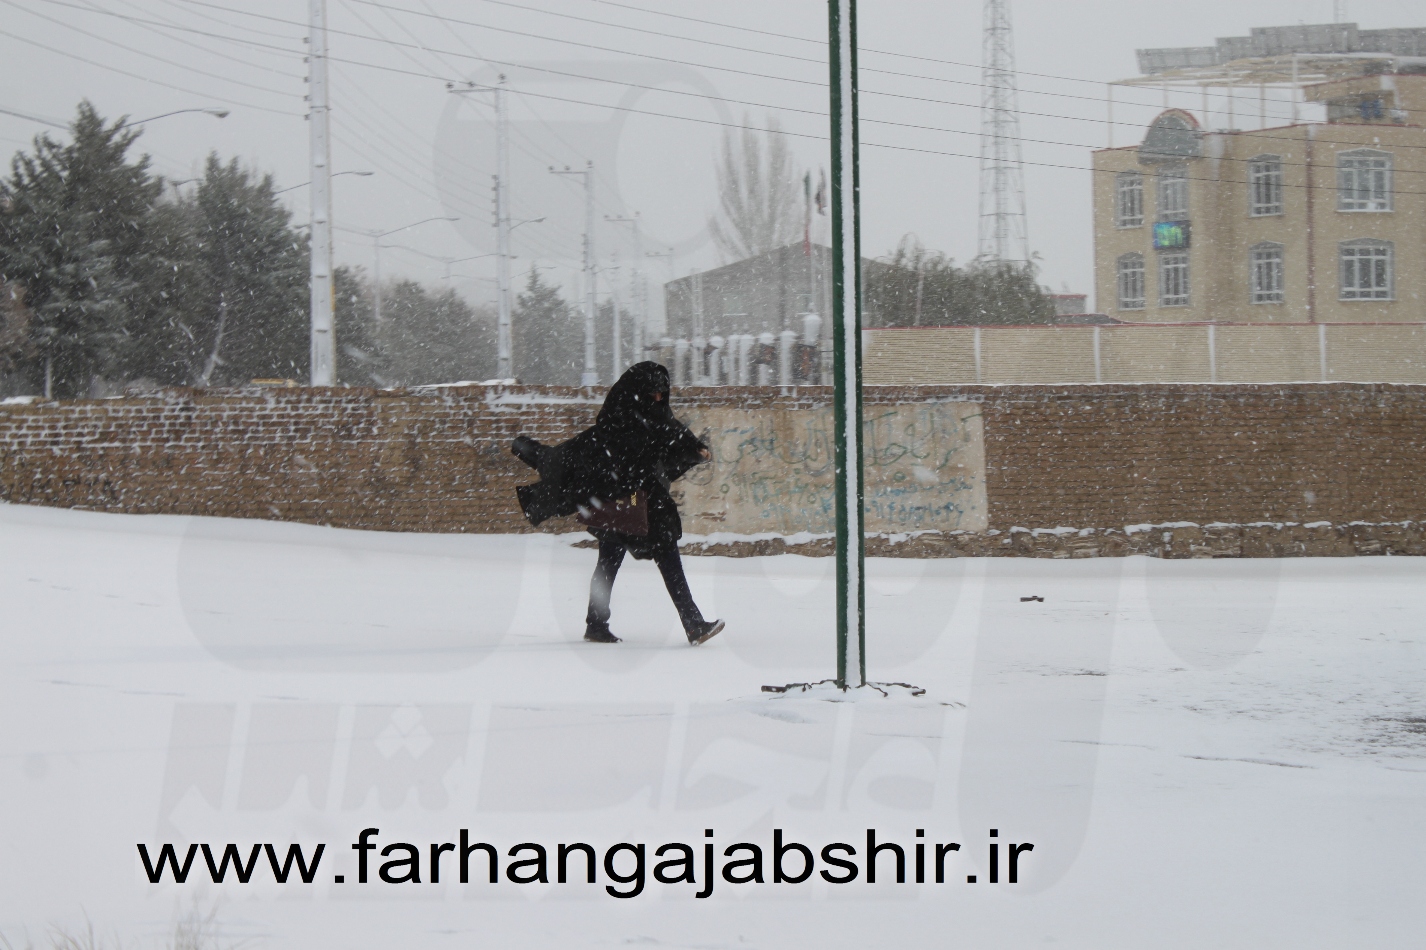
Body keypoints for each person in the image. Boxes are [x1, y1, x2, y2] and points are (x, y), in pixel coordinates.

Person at [511, 361, 725, 646]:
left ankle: (599, 623)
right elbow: (579, 454)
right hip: (626, 502)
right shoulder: (618, 422)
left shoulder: (655, 417)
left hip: (634, 502)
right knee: (653, 556)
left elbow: (674, 438)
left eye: (662, 393)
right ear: (638, 391)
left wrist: (696, 451)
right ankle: (691, 623)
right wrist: (538, 455)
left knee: (614, 561)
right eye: (652, 393)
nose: (658, 398)